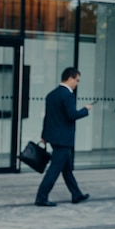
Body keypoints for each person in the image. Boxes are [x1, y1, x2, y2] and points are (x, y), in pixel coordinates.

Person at [35, 67, 93, 207]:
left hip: (55, 138)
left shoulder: (51, 95)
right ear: (70, 78)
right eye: (77, 80)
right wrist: (86, 109)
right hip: (63, 139)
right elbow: (72, 115)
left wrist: (44, 136)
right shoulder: (68, 95)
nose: (77, 84)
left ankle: (76, 194)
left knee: (66, 169)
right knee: (54, 170)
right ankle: (41, 197)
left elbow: (47, 118)